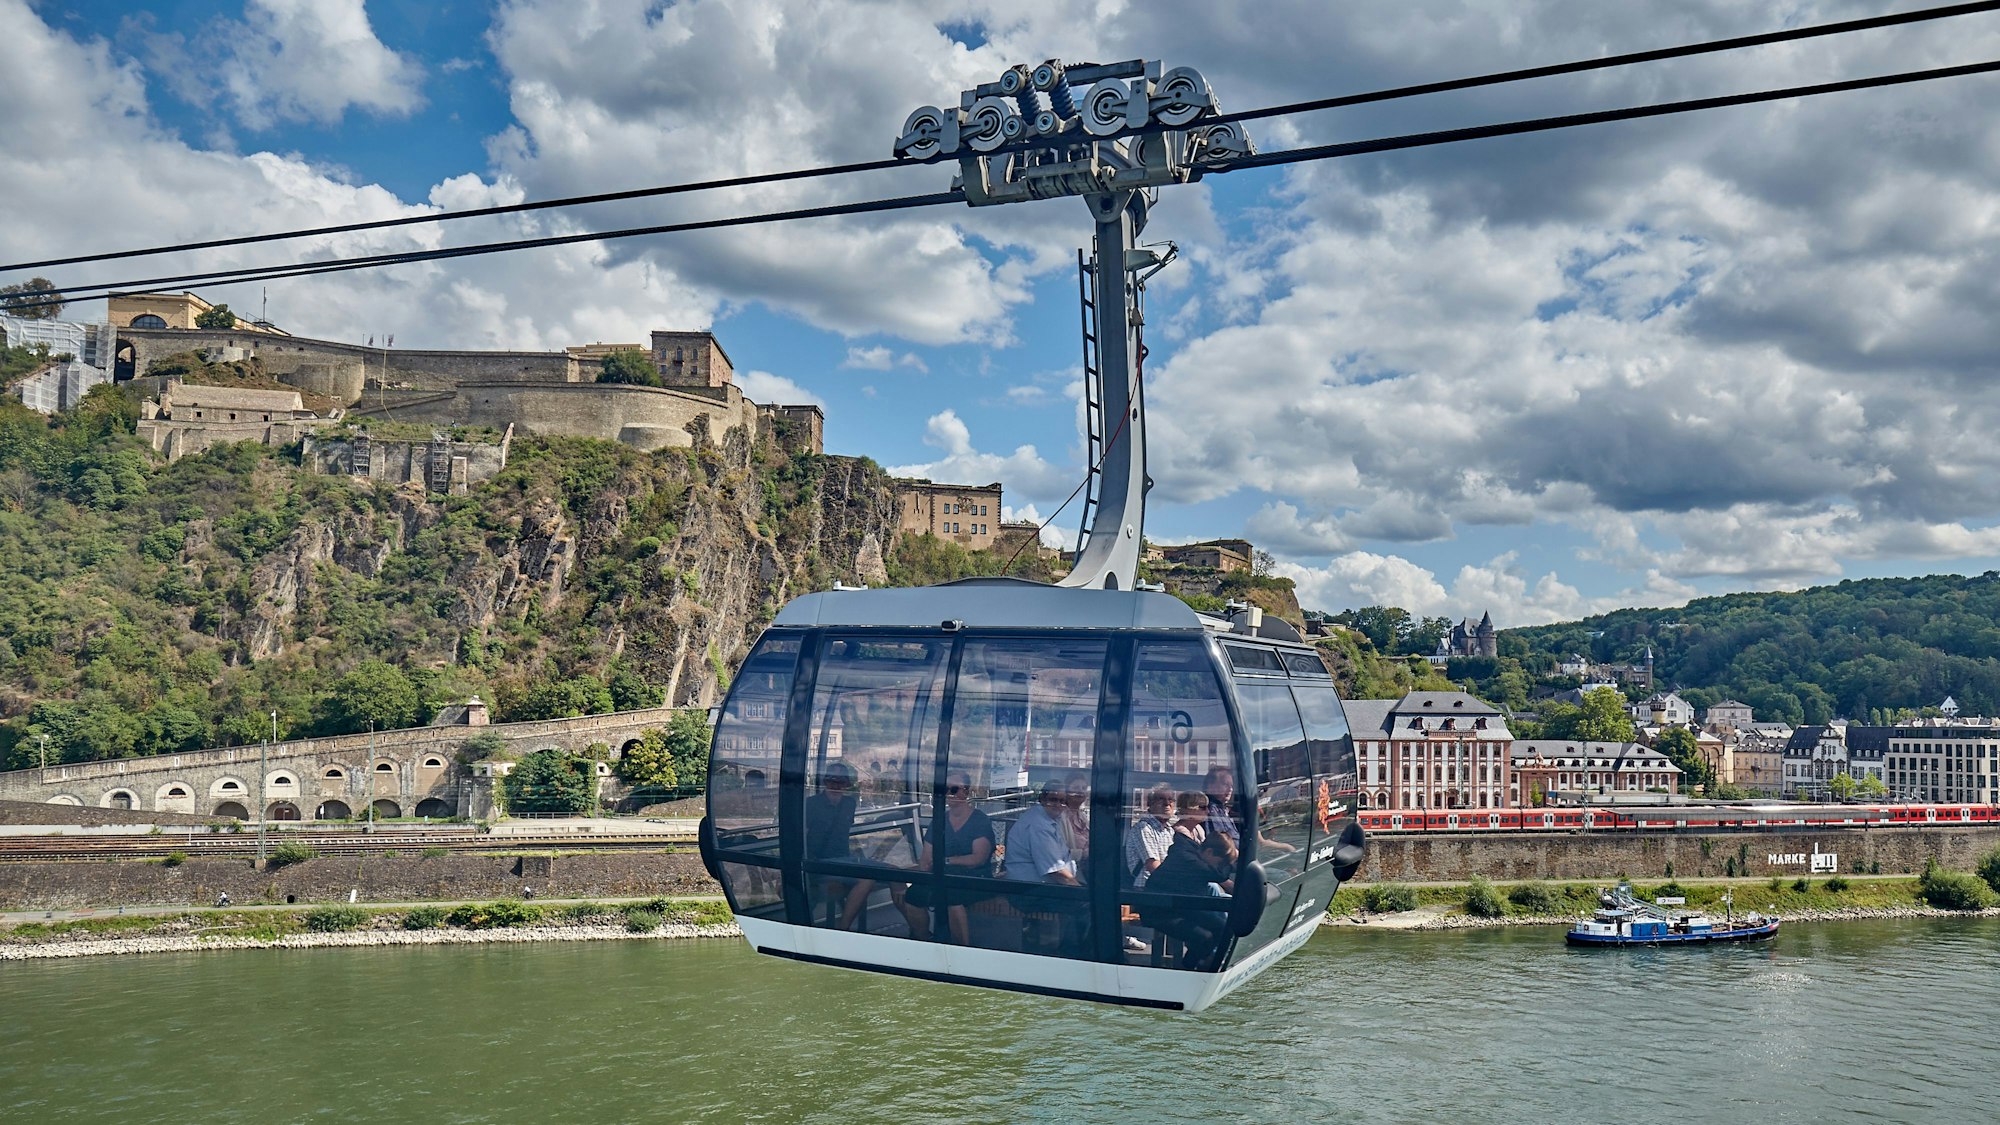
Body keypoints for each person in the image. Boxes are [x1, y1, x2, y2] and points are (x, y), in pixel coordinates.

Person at [898, 770, 995, 943]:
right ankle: (924, 940)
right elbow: (926, 858)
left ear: (966, 791)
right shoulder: (939, 820)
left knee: (952, 897)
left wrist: (946, 861)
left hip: (976, 878)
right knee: (912, 896)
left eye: (954, 789)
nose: (949, 794)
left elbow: (977, 859)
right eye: (945, 789)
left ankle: (961, 948)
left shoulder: (979, 820)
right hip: (943, 876)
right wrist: (926, 869)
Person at [1001, 779, 1084, 953]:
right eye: (1053, 799)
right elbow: (1056, 872)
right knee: (1087, 906)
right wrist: (1080, 891)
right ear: (1042, 799)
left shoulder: (1049, 820)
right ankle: (1073, 954)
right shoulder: (1039, 825)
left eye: (1063, 801)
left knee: (1088, 901)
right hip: (1026, 892)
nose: (1059, 804)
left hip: (1039, 887)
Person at [1140, 831, 1238, 971]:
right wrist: (1233, 861)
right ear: (1209, 852)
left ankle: (1205, 963)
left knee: (1222, 927)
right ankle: (1187, 969)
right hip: (1159, 910)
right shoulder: (1189, 860)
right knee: (1204, 937)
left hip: (1181, 907)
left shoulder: (1193, 854)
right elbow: (1218, 875)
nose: (1220, 866)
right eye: (1221, 862)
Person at [1123, 784, 1176, 887]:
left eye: (1170, 799)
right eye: (1161, 799)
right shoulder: (1143, 828)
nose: (1167, 804)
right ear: (1150, 803)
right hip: (1147, 888)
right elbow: (1152, 866)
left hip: (1165, 885)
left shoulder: (1169, 831)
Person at [1203, 766, 1241, 847]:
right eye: (1225, 784)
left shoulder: (1222, 809)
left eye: (1231, 786)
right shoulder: (1210, 810)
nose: (1230, 789)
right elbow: (1220, 844)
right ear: (1210, 786)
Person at [1060, 772, 1091, 863]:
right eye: (1075, 788)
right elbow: (1058, 852)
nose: (1080, 791)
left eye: (1084, 788)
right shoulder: (1060, 817)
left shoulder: (1083, 816)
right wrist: (1084, 854)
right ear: (1066, 791)